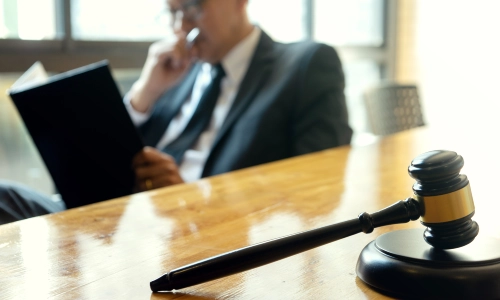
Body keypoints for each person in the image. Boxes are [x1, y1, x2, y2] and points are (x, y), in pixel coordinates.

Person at [0, 0, 352, 225]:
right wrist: (144, 92)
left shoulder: (304, 64)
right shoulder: (179, 74)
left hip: (197, 233)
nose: (183, 27)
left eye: (194, 7)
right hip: (114, 218)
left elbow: (321, 186)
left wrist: (192, 197)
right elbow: (114, 153)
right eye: (173, 12)